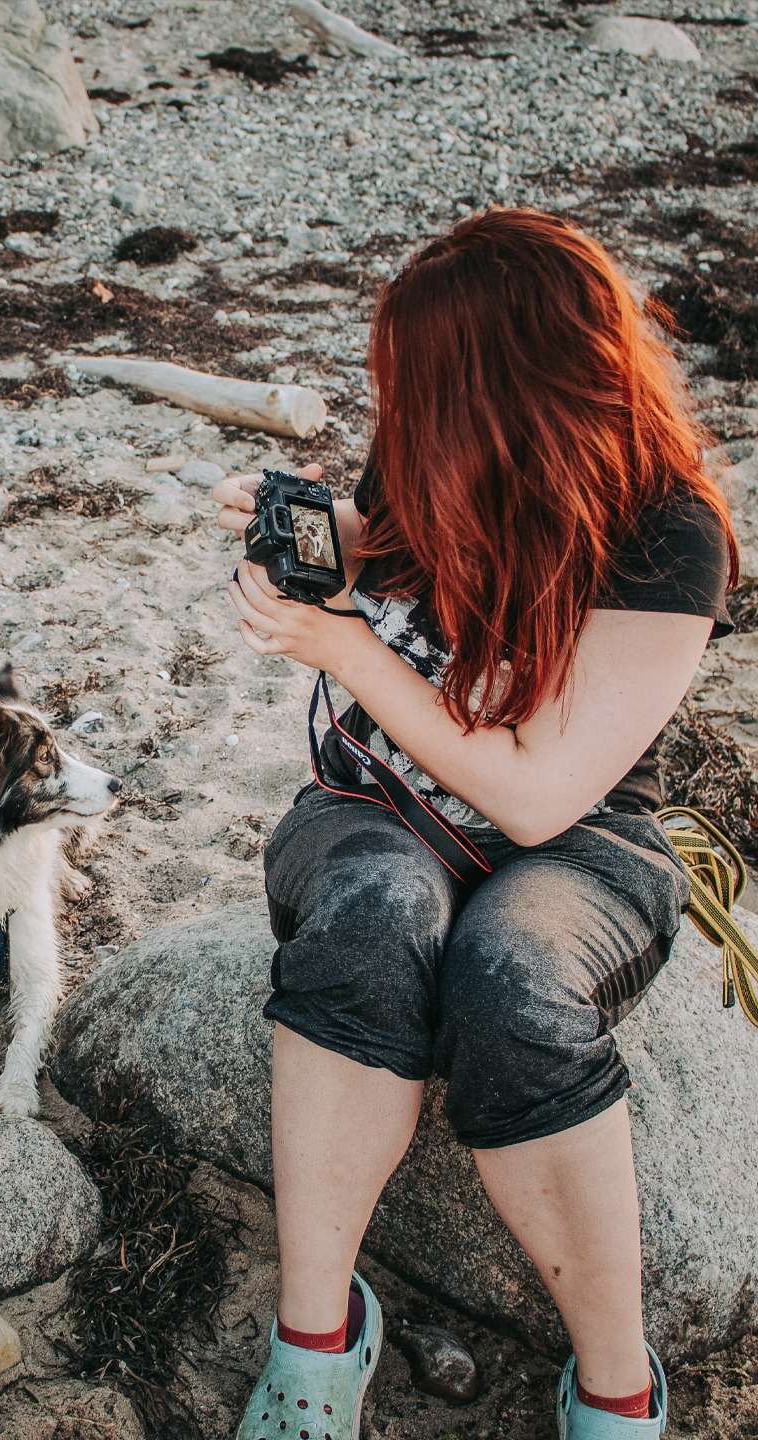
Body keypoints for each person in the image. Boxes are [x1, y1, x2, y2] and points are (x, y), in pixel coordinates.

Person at [214, 207, 738, 1440]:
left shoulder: (673, 531)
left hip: (581, 836)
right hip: (376, 800)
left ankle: (615, 1389)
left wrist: (340, 649)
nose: (399, 405)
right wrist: (323, 537)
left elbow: (541, 791)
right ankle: (315, 1347)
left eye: (424, 380)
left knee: (512, 981)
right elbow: (395, 562)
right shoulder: (440, 447)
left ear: (517, 382)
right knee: (370, 918)